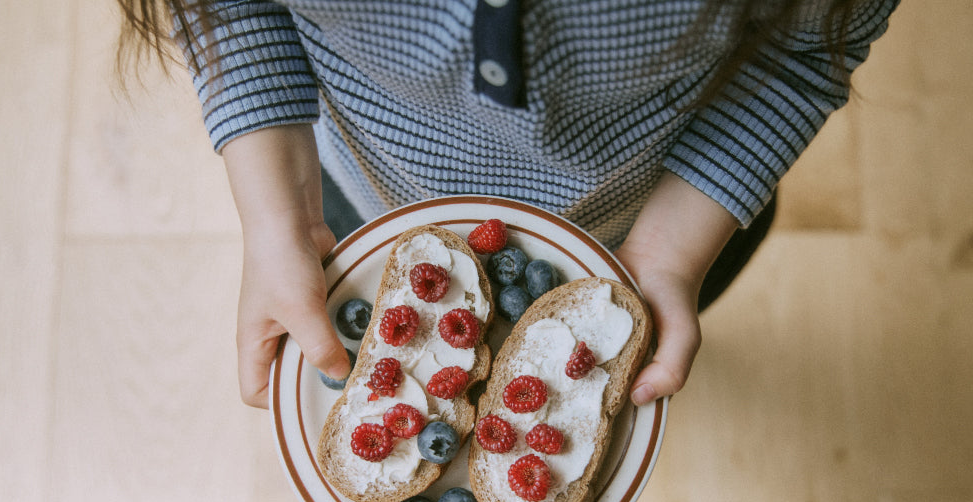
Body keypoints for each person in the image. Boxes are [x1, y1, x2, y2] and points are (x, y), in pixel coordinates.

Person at [117, 0, 899, 409]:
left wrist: (672, 254)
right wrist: (280, 217)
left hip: (659, 218)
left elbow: (802, 50)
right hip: (360, 197)